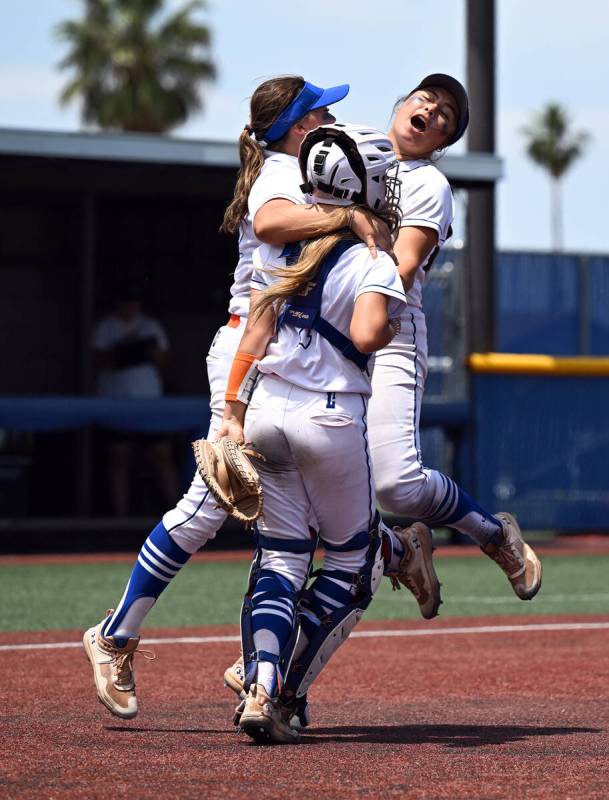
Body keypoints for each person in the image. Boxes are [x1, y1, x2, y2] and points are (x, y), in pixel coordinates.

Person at [82, 76, 431, 722]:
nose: (330, 115)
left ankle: (378, 565)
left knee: (289, 521)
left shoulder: (298, 167)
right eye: (318, 109)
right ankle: (115, 635)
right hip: (257, 353)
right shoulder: (280, 169)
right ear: (298, 126)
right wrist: (351, 216)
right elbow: (270, 221)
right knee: (214, 507)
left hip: (273, 358)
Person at [222, 75, 543, 726]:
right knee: (326, 537)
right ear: (396, 108)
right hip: (325, 356)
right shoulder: (350, 157)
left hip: (375, 333)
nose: (431, 111)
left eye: (447, 113)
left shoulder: (424, 182)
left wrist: (341, 253)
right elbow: (281, 223)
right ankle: (295, 665)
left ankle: (487, 533)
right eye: (423, 99)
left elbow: (391, 273)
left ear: (449, 137)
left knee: (391, 488)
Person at [217, 123, 406, 743]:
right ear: (364, 184)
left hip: (266, 407)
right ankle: (288, 690)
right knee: (352, 562)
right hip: (330, 417)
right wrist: (390, 291)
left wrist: (231, 415)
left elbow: (254, 336)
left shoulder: (281, 247)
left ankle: (261, 680)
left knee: (278, 559)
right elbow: (371, 335)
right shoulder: (374, 255)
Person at [91, 284, 180, 516]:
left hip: (149, 402)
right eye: (125, 300)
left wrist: (143, 349)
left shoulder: (150, 326)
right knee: (118, 455)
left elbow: (163, 360)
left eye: (134, 300)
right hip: (115, 401)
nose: (130, 306)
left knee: (161, 454)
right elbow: (98, 360)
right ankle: (120, 517)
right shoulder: (106, 326)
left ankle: (179, 514)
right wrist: (124, 348)